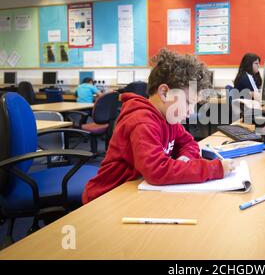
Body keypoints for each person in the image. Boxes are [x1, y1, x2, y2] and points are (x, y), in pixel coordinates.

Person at [82, 48, 237, 204]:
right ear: (164, 93)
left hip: (136, 191)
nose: (190, 112)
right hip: (107, 198)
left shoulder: (169, 119)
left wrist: (184, 159)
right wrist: (214, 169)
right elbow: (157, 171)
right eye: (188, 103)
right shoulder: (142, 122)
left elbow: (190, 143)